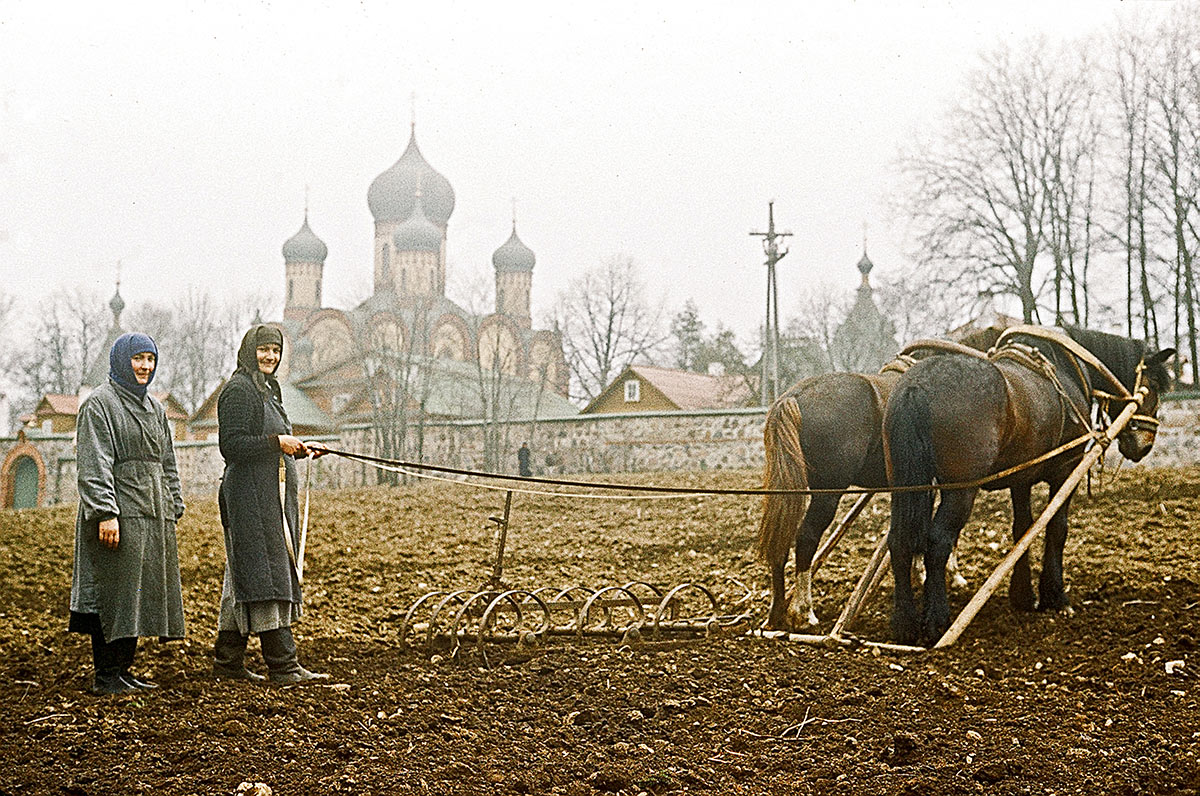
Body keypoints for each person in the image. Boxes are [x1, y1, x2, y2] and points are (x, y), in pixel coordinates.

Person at [69, 333, 186, 696]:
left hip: (152, 512)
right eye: (138, 359)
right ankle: (106, 674)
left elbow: (166, 461)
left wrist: (173, 501)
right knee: (113, 591)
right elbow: (94, 464)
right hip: (118, 512)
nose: (145, 367)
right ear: (122, 360)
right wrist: (105, 512)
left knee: (137, 593)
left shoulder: (155, 408)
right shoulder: (99, 404)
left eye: (150, 359)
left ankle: (123, 669)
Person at [212, 324, 328, 683]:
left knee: (244, 576)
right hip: (249, 498)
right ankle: (283, 664)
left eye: (276, 351)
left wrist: (299, 448)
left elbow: (268, 443)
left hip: (268, 497)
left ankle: (227, 664)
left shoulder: (268, 389)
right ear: (250, 350)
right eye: (264, 349)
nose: (270, 356)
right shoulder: (239, 391)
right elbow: (232, 446)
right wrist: (278, 442)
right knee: (265, 574)